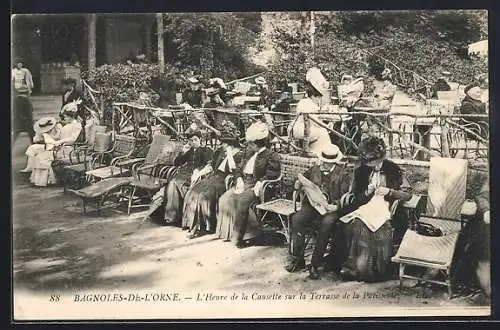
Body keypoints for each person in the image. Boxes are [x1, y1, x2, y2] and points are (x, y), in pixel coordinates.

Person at [339, 136, 412, 282]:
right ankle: (361, 269)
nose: (373, 166)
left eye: (376, 163)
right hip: (365, 206)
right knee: (359, 224)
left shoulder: (393, 169)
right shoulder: (361, 172)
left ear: (381, 158)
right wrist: (367, 192)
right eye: (370, 163)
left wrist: (390, 192)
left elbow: (408, 195)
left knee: (378, 228)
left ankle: (376, 270)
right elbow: (357, 197)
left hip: (386, 207)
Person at [285, 144, 352, 279]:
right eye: (324, 162)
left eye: (329, 163)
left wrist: (337, 206)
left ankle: (315, 264)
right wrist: (297, 183)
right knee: (297, 218)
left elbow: (346, 195)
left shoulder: (343, 174)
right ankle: (298, 259)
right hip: (313, 206)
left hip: (331, 208)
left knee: (326, 224)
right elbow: (300, 179)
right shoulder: (315, 169)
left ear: (334, 162)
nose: (325, 165)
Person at [217, 120, 281, 248]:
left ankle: (238, 237)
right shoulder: (249, 153)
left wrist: (259, 183)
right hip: (244, 183)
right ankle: (227, 233)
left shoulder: (271, 155)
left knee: (241, 201)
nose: (249, 146)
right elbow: (240, 168)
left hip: (257, 186)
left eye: (251, 144)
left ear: (257, 144)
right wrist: (239, 178)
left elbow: (272, 174)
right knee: (224, 198)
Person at [181, 121, 244, 238]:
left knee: (204, 196)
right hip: (213, 177)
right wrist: (199, 173)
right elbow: (211, 165)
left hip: (224, 180)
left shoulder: (239, 154)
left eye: (224, 143)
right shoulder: (220, 152)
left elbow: (233, 169)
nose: (221, 145)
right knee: (193, 191)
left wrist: (230, 155)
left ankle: (203, 226)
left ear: (230, 144)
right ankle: (190, 224)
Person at [144, 130, 214, 226]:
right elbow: (177, 163)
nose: (193, 142)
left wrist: (199, 172)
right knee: (172, 183)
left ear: (200, 140)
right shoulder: (189, 151)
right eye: (191, 140)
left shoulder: (207, 150)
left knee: (174, 183)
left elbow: (209, 165)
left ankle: (172, 216)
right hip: (185, 173)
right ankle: (170, 215)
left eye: (195, 140)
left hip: (197, 175)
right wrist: (182, 152)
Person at [21, 102, 83, 186]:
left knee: (44, 154)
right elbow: (60, 136)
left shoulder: (77, 125)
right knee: (35, 148)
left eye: (65, 116)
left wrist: (60, 142)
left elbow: (72, 139)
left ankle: (44, 178)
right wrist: (53, 133)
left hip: (67, 148)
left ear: (71, 116)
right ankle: (31, 169)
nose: (64, 118)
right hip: (59, 146)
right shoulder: (67, 124)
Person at [288, 67, 333, 156]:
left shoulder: (304, 101)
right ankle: (321, 153)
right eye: (318, 97)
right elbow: (314, 122)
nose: (319, 100)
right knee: (323, 132)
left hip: (297, 127)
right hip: (301, 129)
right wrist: (327, 126)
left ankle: (318, 151)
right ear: (313, 96)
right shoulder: (309, 104)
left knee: (322, 130)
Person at [12, 58, 35, 144]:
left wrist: (29, 87)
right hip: (24, 120)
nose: (20, 65)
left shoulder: (25, 71)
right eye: (18, 63)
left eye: (21, 63)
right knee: (26, 132)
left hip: (20, 120)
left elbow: (28, 79)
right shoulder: (13, 71)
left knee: (23, 132)